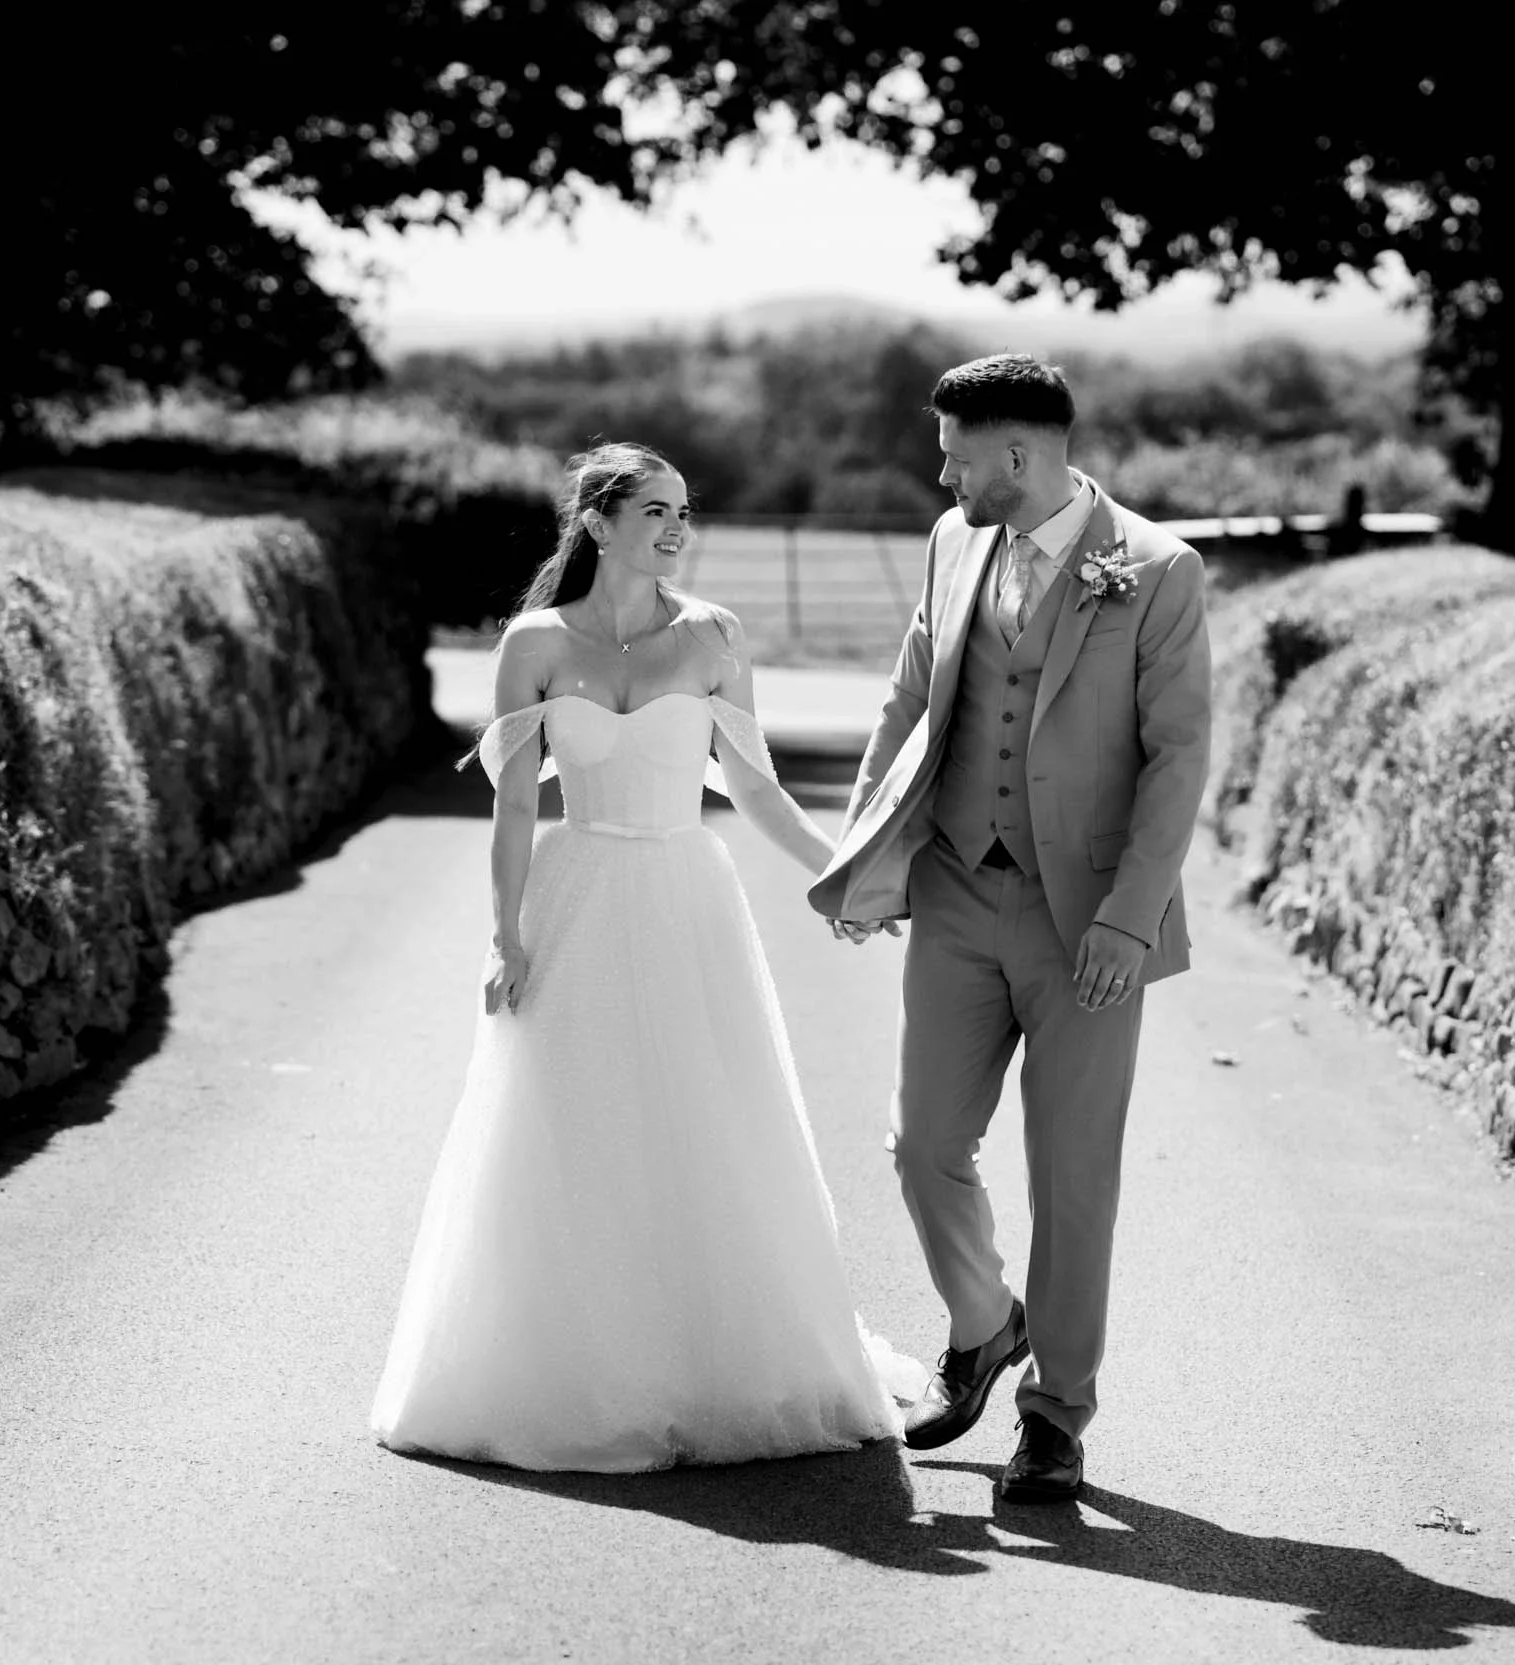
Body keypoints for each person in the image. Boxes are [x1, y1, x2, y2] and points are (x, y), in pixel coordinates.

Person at [370, 442, 920, 1471]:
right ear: (597, 520)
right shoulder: (534, 643)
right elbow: (512, 809)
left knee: (701, 1117)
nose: (677, 529)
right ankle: (571, 1368)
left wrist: (842, 881)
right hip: (573, 894)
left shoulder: (712, 635)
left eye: (683, 512)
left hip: (685, 899)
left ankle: (715, 1362)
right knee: (571, 1126)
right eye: (656, 511)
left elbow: (756, 790)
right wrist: (505, 937)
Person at [811, 354, 1211, 1503]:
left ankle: (1054, 1420)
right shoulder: (951, 543)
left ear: (1020, 456)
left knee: (1073, 1176)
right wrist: (863, 857)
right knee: (923, 1142)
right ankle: (987, 1324)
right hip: (953, 894)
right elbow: (908, 700)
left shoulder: (1157, 571)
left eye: (956, 453)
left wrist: (1130, 921)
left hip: (1086, 923)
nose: (942, 471)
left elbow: (1178, 760)